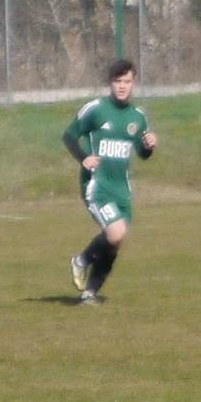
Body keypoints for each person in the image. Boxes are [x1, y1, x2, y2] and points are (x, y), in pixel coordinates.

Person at [65, 60, 157, 305]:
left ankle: (89, 294)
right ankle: (81, 261)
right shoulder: (95, 109)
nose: (122, 86)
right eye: (118, 81)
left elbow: (143, 153)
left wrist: (149, 146)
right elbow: (69, 136)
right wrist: (84, 157)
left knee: (114, 245)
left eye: (127, 81)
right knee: (115, 233)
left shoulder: (138, 117)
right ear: (110, 83)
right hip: (97, 186)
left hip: (121, 190)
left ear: (133, 83)